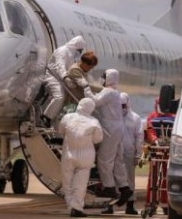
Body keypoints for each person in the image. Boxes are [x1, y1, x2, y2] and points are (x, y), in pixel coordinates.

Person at [84, 69, 133, 207]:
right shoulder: (115, 92)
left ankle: (109, 188)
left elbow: (94, 102)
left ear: (108, 78)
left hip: (110, 130)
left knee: (104, 160)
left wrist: (86, 87)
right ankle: (124, 188)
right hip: (117, 128)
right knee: (117, 160)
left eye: (103, 76)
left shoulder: (108, 91)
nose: (101, 78)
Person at [59, 97, 103, 218]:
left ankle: (71, 205)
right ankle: (76, 207)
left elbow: (61, 131)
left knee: (66, 183)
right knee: (80, 185)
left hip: (68, 154)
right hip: (86, 156)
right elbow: (98, 139)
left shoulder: (67, 117)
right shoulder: (94, 122)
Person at [101, 92, 144, 214]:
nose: (121, 108)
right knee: (111, 180)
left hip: (128, 154)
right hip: (113, 153)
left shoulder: (135, 118)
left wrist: (138, 154)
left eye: (123, 106)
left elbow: (139, 137)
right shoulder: (113, 116)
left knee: (129, 180)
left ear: (128, 103)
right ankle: (109, 205)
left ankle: (130, 206)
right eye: (119, 106)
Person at [41, 35, 86, 127]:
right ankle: (46, 117)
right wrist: (65, 77)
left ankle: (55, 121)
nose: (80, 52)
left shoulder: (73, 55)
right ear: (76, 46)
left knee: (67, 99)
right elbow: (60, 66)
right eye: (80, 50)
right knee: (59, 96)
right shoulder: (62, 51)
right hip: (52, 77)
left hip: (61, 79)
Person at [145, 98, 174, 214]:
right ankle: (150, 203)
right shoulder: (152, 116)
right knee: (153, 178)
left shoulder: (173, 117)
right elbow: (150, 130)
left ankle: (165, 202)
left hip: (168, 150)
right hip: (157, 150)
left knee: (166, 178)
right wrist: (155, 140)